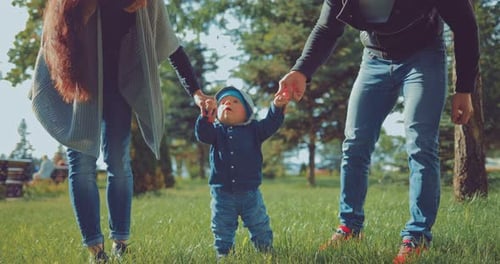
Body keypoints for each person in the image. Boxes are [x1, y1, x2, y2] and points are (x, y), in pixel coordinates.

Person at [277, 0, 479, 263]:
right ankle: (349, 228)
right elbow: (327, 27)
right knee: (354, 143)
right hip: (374, 59)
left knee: (420, 144)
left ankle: (416, 237)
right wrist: (301, 70)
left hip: (423, 56)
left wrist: (464, 88)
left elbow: (465, 25)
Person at [30, 0, 210, 262]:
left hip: (118, 89)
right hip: (81, 87)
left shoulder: (147, 3)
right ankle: (95, 250)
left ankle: (120, 243)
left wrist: (196, 91)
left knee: (118, 160)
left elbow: (170, 43)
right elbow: (53, 40)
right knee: (80, 162)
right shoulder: (70, 3)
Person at [195, 86, 289, 259]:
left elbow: (271, 123)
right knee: (221, 226)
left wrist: (277, 107)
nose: (227, 102)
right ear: (217, 112)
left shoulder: (254, 130)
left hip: (250, 193)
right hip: (222, 194)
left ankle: (266, 251)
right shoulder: (215, 131)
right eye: (222, 102)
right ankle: (224, 254)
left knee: (259, 223)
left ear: (247, 111)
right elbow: (202, 135)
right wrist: (205, 116)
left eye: (235, 101)